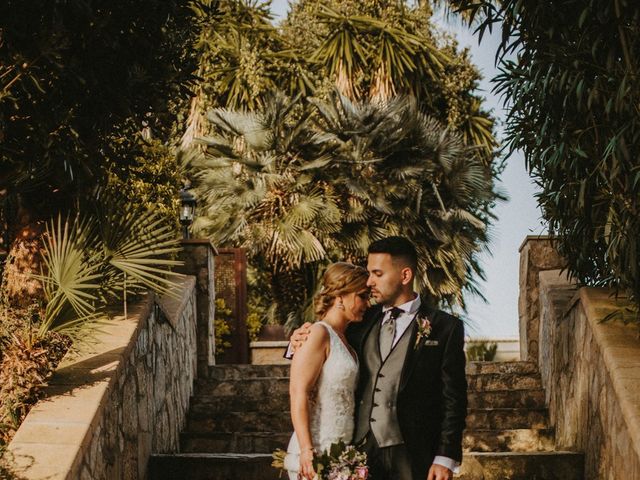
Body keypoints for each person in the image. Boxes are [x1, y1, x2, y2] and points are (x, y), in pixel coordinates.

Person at [289, 236, 467, 480]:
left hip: (413, 451)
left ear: (405, 276)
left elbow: (454, 399)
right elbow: (326, 343)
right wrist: (296, 342)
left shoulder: (445, 327)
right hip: (359, 451)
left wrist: (445, 456)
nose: (369, 282)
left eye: (377, 273)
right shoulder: (359, 321)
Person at [285, 262, 370, 480]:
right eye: (362, 296)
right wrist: (306, 449)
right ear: (340, 297)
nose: (367, 304)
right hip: (315, 452)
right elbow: (298, 392)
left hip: (341, 454)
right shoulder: (317, 333)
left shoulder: (348, 340)